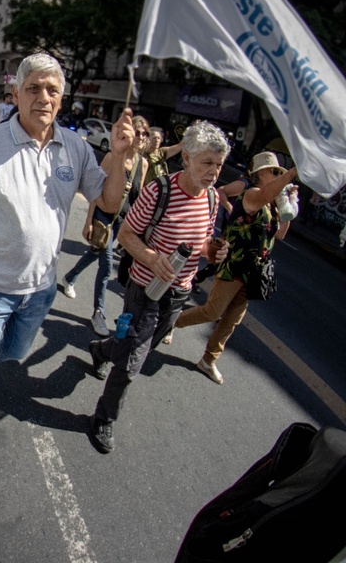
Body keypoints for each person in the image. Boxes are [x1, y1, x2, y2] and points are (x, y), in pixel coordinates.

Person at [0, 52, 133, 458]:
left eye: (52, 90)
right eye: (33, 88)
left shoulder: (76, 148)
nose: (43, 97)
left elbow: (108, 200)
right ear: (16, 93)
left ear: (62, 98)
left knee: (11, 360)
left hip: (40, 293)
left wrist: (119, 155)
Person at [87, 121, 230, 454]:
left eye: (218, 165)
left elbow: (205, 242)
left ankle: (102, 349)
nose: (213, 171)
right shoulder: (160, 191)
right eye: (206, 163)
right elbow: (126, 235)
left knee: (136, 349)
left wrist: (214, 250)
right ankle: (103, 418)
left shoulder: (211, 198)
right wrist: (152, 259)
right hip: (145, 290)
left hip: (178, 294)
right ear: (188, 158)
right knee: (133, 362)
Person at [174, 153, 298, 385]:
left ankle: (208, 360)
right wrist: (292, 174)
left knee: (232, 320)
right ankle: (171, 322)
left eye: (280, 173)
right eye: (274, 172)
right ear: (260, 173)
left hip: (253, 273)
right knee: (213, 311)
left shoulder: (272, 202)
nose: (278, 176)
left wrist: (289, 204)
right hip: (234, 266)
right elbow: (261, 197)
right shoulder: (252, 194)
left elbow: (280, 233)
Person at [62, 116, 149, 337]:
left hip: (123, 220)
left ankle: (69, 277)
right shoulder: (112, 157)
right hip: (103, 215)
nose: (140, 137)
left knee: (95, 253)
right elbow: (94, 190)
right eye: (136, 132)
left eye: (144, 134)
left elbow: (136, 198)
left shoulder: (143, 163)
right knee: (106, 262)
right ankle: (98, 312)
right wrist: (88, 220)